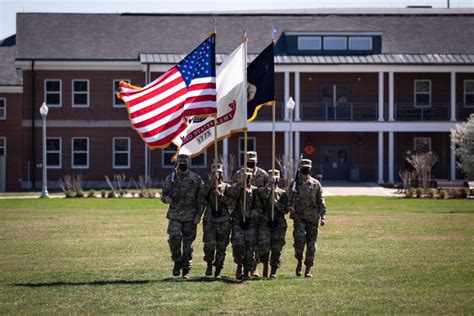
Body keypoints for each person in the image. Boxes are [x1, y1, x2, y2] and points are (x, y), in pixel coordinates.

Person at [161, 154, 203, 279]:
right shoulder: (171, 178)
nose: (182, 163)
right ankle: (177, 261)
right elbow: (163, 195)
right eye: (180, 161)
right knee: (174, 238)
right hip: (175, 215)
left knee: (187, 244)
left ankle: (186, 269)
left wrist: (198, 215)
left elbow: (201, 200)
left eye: (185, 161)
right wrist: (166, 199)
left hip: (190, 217)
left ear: (189, 162)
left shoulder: (196, 179)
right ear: (177, 162)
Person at [288, 158, 327, 278]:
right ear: (300, 168)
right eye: (304, 167)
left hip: (312, 218)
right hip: (299, 217)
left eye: (308, 168)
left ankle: (308, 268)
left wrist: (323, 216)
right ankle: (299, 262)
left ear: (310, 169)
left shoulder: (315, 184)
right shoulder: (294, 184)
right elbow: (289, 199)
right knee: (299, 242)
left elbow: (321, 200)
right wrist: (290, 207)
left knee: (311, 244)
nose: (306, 169)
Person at [232, 151, 268, 277]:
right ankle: (239, 267)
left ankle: (254, 268)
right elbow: (233, 192)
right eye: (249, 160)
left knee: (255, 243)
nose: (251, 162)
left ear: (257, 160)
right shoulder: (238, 174)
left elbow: (265, 194)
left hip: (257, 214)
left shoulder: (263, 174)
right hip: (240, 213)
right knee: (239, 242)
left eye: (253, 160)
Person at [196, 163, 234, 278]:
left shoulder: (227, 187)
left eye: (220, 173)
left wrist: (221, 196)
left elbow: (232, 203)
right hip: (210, 220)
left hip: (224, 220)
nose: (217, 175)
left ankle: (218, 269)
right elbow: (201, 198)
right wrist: (198, 215)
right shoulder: (206, 186)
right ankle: (208, 263)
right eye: (215, 173)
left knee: (222, 247)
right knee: (209, 244)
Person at [227, 171, 262, 280]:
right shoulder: (236, 189)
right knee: (238, 245)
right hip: (238, 221)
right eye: (245, 177)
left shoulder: (255, 191)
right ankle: (239, 265)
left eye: (249, 178)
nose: (247, 179)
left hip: (251, 223)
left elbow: (260, 209)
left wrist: (249, 213)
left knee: (250, 247)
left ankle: (247, 270)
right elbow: (230, 196)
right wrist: (240, 186)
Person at [257, 169, 288, 278]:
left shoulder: (283, 193)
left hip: (279, 224)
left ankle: (273, 271)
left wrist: (276, 203)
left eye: (276, 175)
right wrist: (270, 185)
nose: (274, 177)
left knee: (277, 249)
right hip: (265, 222)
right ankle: (265, 266)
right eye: (271, 176)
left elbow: (285, 210)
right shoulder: (261, 190)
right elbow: (264, 196)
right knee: (264, 247)